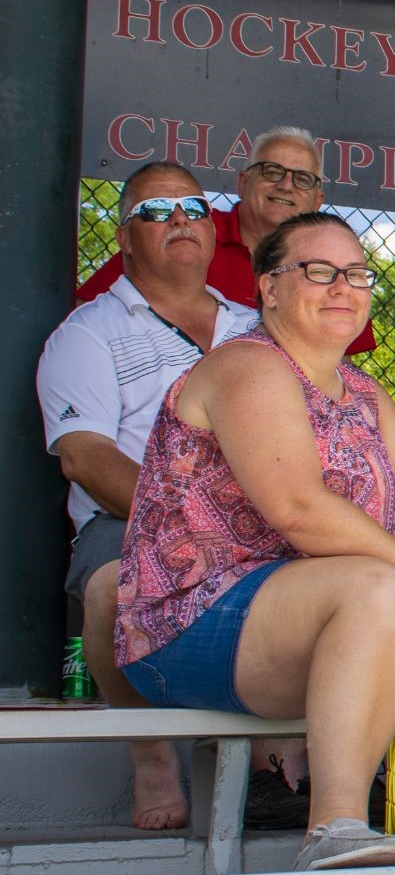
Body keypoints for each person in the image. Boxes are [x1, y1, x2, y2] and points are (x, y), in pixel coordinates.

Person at [117, 212, 395, 871]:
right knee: (377, 585)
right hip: (196, 620)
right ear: (269, 288)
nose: (343, 287)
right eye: (319, 270)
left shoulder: (368, 394)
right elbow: (298, 509)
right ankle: (335, 826)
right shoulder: (246, 365)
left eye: (356, 274)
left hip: (339, 619)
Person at [39, 162, 260, 830]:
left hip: (262, 517)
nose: (180, 221)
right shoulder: (88, 331)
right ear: (124, 238)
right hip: (130, 519)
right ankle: (151, 753)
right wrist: (193, 521)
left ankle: (281, 759)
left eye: (193, 208)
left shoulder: (257, 326)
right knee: (111, 591)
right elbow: (85, 456)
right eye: (156, 212)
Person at [78, 126, 375, 357]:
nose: (286, 185)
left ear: (318, 199)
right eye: (272, 172)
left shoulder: (337, 266)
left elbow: (340, 365)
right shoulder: (188, 234)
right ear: (242, 182)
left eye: (303, 179)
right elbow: (83, 315)